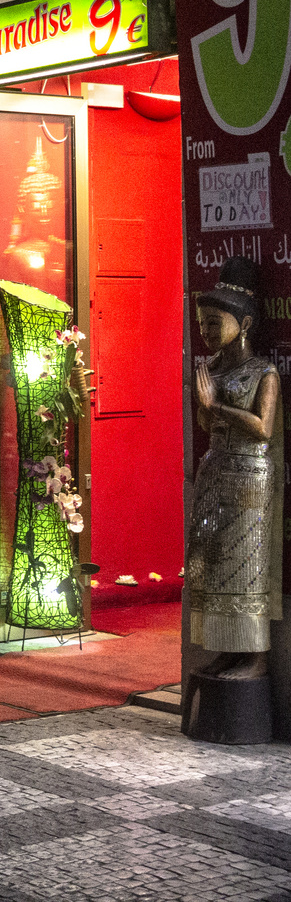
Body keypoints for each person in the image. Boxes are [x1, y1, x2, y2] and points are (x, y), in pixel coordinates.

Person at [187, 256, 282, 680]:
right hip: (215, 473)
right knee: (214, 562)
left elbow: (263, 428)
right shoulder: (213, 368)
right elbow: (207, 426)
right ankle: (226, 648)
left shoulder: (263, 371)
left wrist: (215, 406)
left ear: (242, 324)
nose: (206, 333)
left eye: (214, 323)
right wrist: (205, 409)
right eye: (203, 324)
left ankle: (254, 655)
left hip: (249, 477)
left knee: (247, 565)